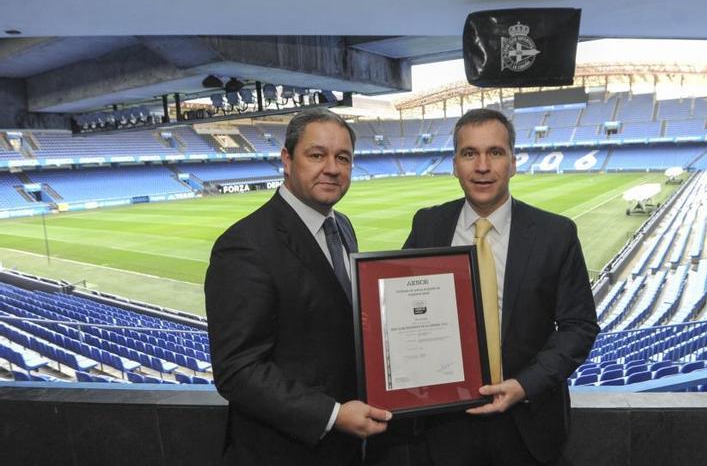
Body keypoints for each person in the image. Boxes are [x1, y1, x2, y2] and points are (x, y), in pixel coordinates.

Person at [375, 108, 599, 466]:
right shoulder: (428, 224)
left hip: (528, 423)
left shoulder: (555, 234)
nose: (482, 166)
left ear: (513, 162)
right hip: (444, 424)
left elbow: (579, 327)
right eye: (469, 153)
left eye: (495, 152)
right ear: (454, 165)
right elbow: (397, 312)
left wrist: (525, 385)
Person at [205, 108, 392, 466]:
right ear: (287, 160)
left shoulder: (343, 226)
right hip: (285, 452)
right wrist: (332, 415)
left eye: (343, 158)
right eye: (317, 155)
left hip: (349, 447)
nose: (333, 168)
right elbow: (238, 370)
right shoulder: (245, 245)